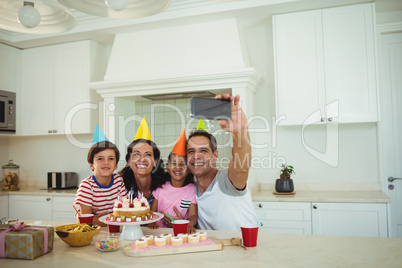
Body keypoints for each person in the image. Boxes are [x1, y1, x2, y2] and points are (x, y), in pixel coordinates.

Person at [186, 94, 259, 231]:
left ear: (215, 155)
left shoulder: (226, 181)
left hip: (245, 247)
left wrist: (239, 131)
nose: (196, 156)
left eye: (203, 151)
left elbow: (241, 166)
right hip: (216, 248)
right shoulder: (191, 190)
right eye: (191, 151)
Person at [148, 129, 198, 233]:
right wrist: (151, 222)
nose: (178, 167)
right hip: (158, 233)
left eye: (183, 164)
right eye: (174, 163)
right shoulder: (160, 188)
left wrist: (187, 224)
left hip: (179, 232)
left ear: (189, 169)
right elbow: (152, 212)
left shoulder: (191, 190)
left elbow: (193, 215)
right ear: (168, 167)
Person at [74, 140, 127, 226]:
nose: (106, 162)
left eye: (111, 158)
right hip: (95, 232)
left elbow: (124, 211)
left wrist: (99, 219)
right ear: (91, 165)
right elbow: (85, 221)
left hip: (116, 232)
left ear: (116, 165)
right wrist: (113, 219)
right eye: (100, 158)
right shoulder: (87, 185)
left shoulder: (118, 181)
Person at [119, 118, 165, 205]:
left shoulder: (166, 186)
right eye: (137, 154)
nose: (142, 159)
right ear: (129, 161)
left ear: (155, 161)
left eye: (148, 154)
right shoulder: (121, 187)